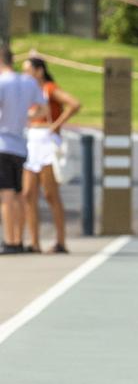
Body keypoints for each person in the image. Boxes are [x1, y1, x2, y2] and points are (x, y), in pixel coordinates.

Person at [21, 57, 81, 254]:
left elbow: (74, 103)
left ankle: (61, 241)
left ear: (39, 71)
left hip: (47, 142)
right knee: (28, 193)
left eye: (28, 70)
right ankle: (34, 242)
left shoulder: (49, 88)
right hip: (31, 142)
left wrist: (57, 124)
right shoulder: (28, 92)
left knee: (50, 193)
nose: (25, 74)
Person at [0, 46, 46, 255]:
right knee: (19, 195)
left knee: (6, 196)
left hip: (2, 142)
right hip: (20, 144)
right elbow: (43, 108)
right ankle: (18, 239)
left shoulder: (2, 82)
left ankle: (10, 241)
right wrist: (26, 119)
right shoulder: (27, 82)